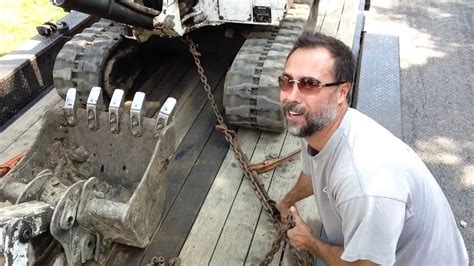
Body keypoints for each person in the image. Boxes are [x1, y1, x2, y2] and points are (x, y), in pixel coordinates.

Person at [276, 32, 469, 265]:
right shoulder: (316, 126)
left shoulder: (366, 185)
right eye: (287, 81)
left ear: (342, 92)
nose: (292, 96)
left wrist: (309, 242)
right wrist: (286, 202)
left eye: (310, 84)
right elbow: (312, 173)